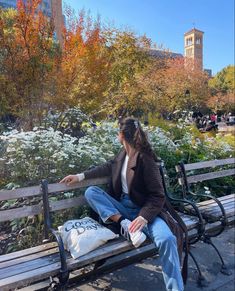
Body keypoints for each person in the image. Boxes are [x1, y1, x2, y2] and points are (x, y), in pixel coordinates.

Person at [60, 117, 188, 291]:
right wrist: (80, 176)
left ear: (121, 135)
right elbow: (107, 167)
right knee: (91, 192)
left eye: (117, 132)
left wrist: (144, 217)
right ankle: (124, 224)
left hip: (145, 212)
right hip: (123, 211)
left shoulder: (146, 159)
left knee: (167, 239)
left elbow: (158, 195)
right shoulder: (123, 154)